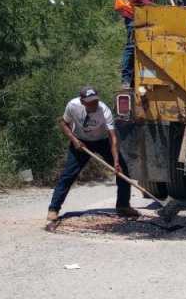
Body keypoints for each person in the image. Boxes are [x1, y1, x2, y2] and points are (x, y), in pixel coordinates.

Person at [47, 87, 138, 225]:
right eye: (90, 102)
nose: (93, 105)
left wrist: (116, 161)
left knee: (123, 172)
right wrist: (74, 140)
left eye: (95, 101)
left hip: (102, 141)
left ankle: (123, 206)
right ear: (82, 101)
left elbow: (113, 138)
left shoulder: (104, 110)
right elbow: (63, 122)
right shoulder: (73, 106)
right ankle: (53, 209)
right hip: (81, 142)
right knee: (68, 175)